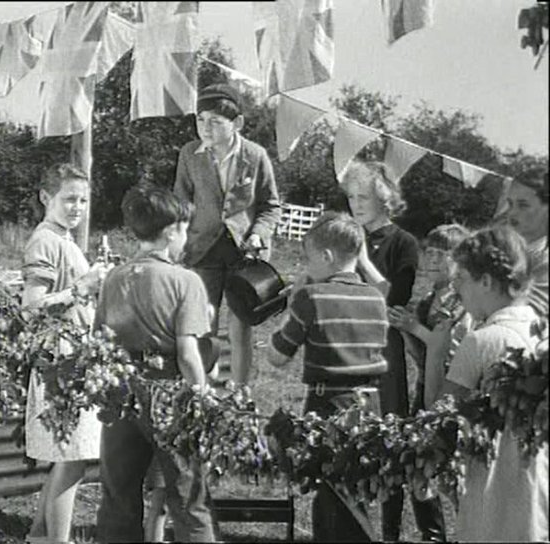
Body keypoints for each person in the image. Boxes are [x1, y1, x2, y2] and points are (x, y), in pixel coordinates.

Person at [95, 182, 218, 543]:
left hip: (121, 392)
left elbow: (101, 341)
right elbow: (188, 354)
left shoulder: (113, 278)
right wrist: (202, 402)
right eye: (184, 231)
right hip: (169, 393)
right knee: (188, 495)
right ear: (171, 232)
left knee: (118, 495)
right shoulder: (185, 281)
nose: (185, 240)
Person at [267, 211, 389, 542]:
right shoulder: (377, 298)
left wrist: (293, 305)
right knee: (356, 489)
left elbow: (276, 356)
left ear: (326, 256)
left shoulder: (311, 297)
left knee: (331, 496)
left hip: (328, 402)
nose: (306, 267)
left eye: (308, 258)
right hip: (370, 405)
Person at [437, 225, 549, 542]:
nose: (458, 290)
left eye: (463, 280)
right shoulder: (542, 334)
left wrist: (435, 353)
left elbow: (437, 420)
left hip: (495, 489)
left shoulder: (481, 341)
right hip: (540, 486)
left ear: (486, 281)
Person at [22, 163, 111, 544]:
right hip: (59, 360)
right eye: (69, 199)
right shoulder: (45, 241)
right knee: (71, 459)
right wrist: (82, 288)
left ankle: (39, 534)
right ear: (46, 197)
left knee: (69, 456)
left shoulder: (65, 239)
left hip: (74, 356)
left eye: (83, 200)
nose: (77, 207)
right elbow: (31, 306)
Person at [174, 83, 281, 385]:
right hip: (202, 250)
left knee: (240, 326)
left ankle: (240, 392)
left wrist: (259, 234)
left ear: (237, 124)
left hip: (244, 254)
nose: (205, 128)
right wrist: (177, 245)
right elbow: (180, 204)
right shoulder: (189, 155)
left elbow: (271, 206)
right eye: (200, 119)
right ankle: (203, 392)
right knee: (203, 323)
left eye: (215, 122)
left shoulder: (256, 156)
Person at [338, 160, 420, 541]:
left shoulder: (403, 243)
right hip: (344, 344)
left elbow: (393, 302)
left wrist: (365, 265)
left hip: (383, 349)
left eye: (364, 196)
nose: (356, 204)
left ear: (384, 198)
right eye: (351, 197)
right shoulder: (343, 235)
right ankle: (351, 527)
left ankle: (389, 533)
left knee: (388, 440)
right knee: (343, 436)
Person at [387, 223, 472, 542]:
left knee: (454, 472)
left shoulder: (461, 301)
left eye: (443, 253)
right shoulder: (427, 299)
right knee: (418, 466)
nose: (433, 259)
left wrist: (414, 328)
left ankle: (473, 528)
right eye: (430, 252)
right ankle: (432, 534)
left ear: (461, 260)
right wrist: (408, 330)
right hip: (425, 387)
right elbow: (423, 355)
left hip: (454, 391)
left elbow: (450, 349)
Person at [505, 167, 548, 319]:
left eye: (523, 205)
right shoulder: (510, 252)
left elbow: (529, 319)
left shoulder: (544, 261)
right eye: (510, 204)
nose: (512, 213)